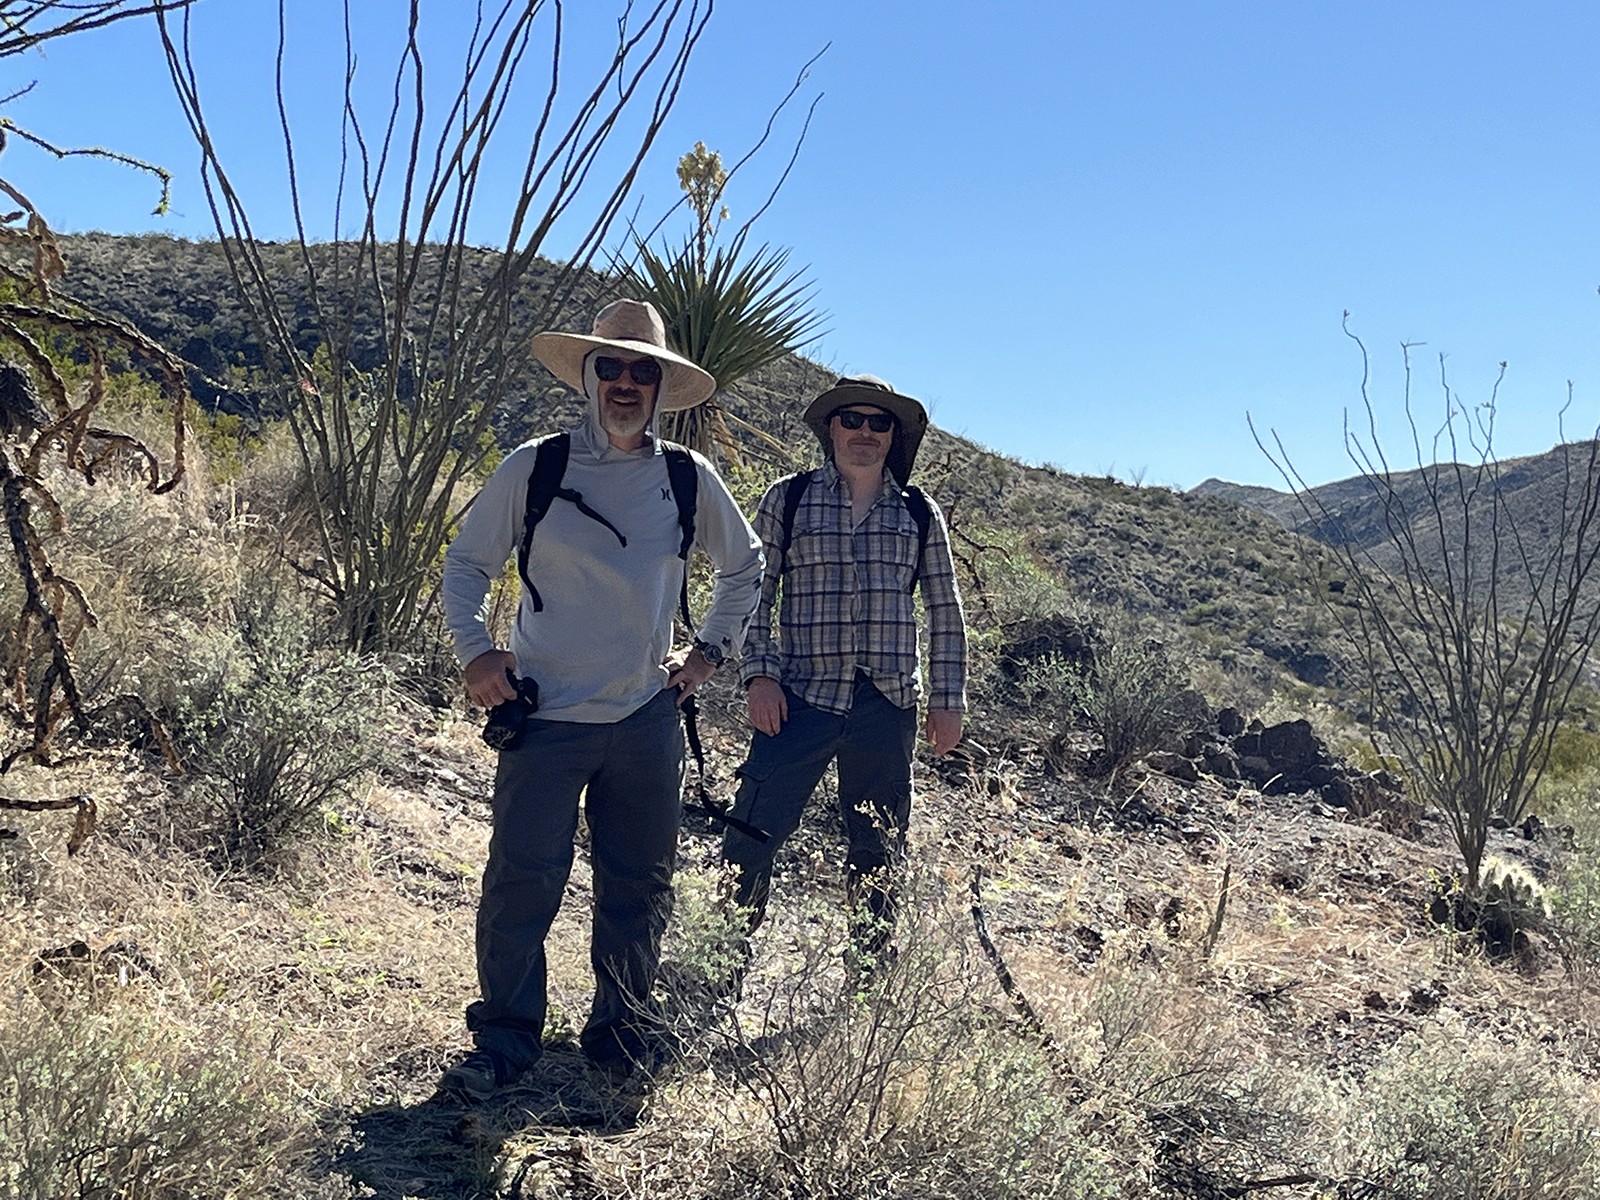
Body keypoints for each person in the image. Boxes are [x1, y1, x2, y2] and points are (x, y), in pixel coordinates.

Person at [438, 299, 763, 1098]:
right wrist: (477, 652)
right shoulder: (536, 466)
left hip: (645, 721)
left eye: (640, 371)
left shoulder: (687, 478)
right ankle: (505, 1041)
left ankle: (620, 1036)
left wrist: (710, 654)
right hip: (544, 717)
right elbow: (465, 565)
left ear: (660, 386)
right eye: (609, 367)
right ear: (587, 376)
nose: (624, 383)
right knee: (521, 883)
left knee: (639, 886)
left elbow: (745, 564)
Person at [720, 374, 967, 978]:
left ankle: (867, 986)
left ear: (893, 435)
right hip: (799, 697)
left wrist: (947, 699)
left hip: (886, 704)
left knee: (878, 850)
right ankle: (719, 969)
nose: (864, 432)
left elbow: (944, 605)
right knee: (752, 834)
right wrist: (759, 676)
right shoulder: (790, 497)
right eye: (851, 419)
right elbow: (756, 589)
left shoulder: (917, 510)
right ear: (830, 427)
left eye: (878, 422)